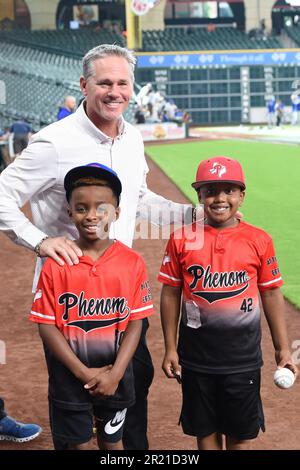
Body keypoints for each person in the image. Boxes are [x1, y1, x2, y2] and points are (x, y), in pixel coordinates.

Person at [0, 44, 192, 450]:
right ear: (83, 84)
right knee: (73, 393)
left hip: (121, 290)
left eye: (123, 83)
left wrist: (194, 217)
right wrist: (40, 240)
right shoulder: (54, 142)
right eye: (104, 82)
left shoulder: (132, 137)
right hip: (69, 295)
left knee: (133, 383)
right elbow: (2, 194)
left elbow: (138, 201)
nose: (114, 91)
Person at [158, 156, 298, 450]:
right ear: (199, 195)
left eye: (228, 190)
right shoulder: (182, 239)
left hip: (242, 359)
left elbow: (271, 292)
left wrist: (281, 348)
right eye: (210, 190)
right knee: (205, 432)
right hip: (196, 358)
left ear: (241, 195)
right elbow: (171, 292)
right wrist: (171, 347)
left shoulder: (258, 240)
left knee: (239, 434)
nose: (219, 198)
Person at [29, 163, 154, 450]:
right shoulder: (57, 262)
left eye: (102, 207)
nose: (92, 215)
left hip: (116, 377)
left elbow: (136, 323)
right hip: (70, 379)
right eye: (82, 208)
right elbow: (46, 326)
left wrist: (116, 373)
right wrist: (84, 373)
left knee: (114, 445)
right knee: (78, 446)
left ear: (117, 213)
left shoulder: (131, 261)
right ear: (70, 212)